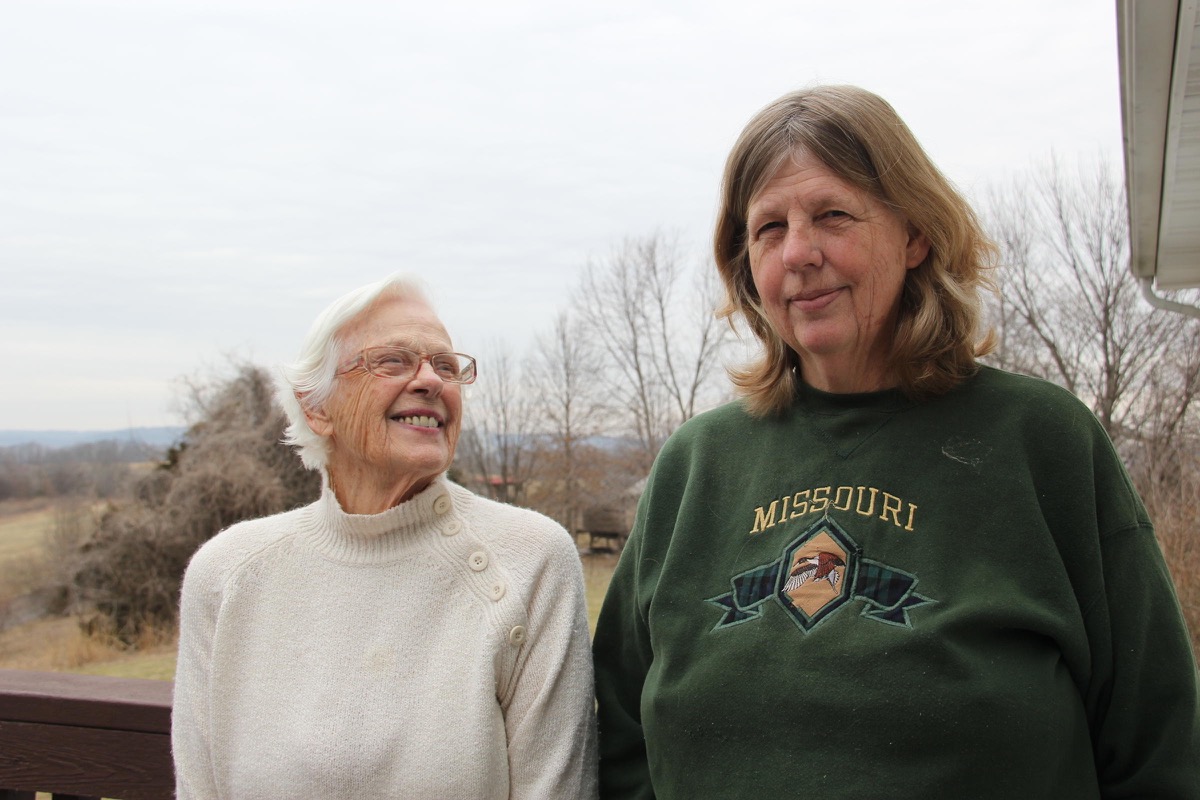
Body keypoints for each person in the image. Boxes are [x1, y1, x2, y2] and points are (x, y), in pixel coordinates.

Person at [592, 85, 1199, 798]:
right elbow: (620, 739)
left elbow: (1158, 747)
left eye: (832, 215)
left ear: (915, 234)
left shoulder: (1044, 443)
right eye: (767, 229)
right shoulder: (695, 467)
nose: (799, 253)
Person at [172, 274, 598, 799]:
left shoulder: (531, 559)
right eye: (393, 361)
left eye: (445, 365)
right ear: (315, 407)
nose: (431, 381)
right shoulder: (228, 573)